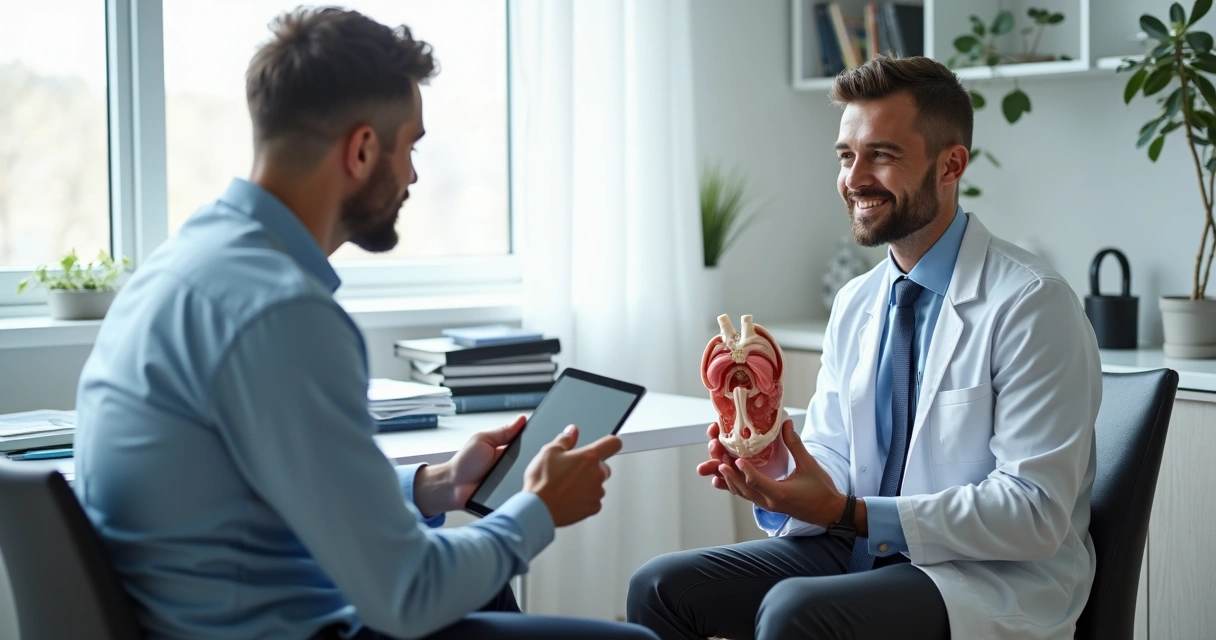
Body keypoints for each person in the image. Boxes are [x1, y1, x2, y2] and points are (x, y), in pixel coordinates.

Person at [73, 7, 658, 640]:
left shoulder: (183, 267)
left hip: (215, 613)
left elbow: (279, 494)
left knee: (484, 578)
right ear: (360, 150)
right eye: (411, 147)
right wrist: (537, 509)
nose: (412, 174)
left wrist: (436, 486)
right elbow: (410, 595)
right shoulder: (282, 314)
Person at [627, 55, 1102, 640]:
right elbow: (834, 453)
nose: (854, 179)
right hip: (861, 545)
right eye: (846, 156)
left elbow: (1034, 512)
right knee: (660, 587)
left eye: (882, 154)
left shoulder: (1032, 303)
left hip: (982, 576)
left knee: (795, 611)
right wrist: (775, 467)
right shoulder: (857, 301)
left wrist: (849, 513)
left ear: (951, 165)